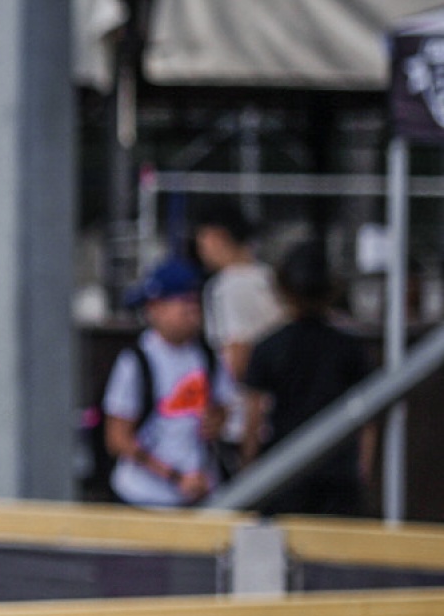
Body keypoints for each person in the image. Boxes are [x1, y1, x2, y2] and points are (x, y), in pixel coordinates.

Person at [242, 241, 374, 516]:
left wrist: (249, 466)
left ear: (283, 289)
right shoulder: (349, 346)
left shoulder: (269, 346)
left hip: (283, 468)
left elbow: (253, 417)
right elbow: (368, 415)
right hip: (338, 469)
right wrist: (362, 468)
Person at [102, 257, 238, 508]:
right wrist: (174, 477)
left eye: (193, 306)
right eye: (183, 306)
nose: (192, 314)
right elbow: (117, 437)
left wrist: (216, 420)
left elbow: (224, 405)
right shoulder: (136, 361)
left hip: (200, 493)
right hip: (143, 495)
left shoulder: (207, 356)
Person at [193, 201, 284, 469]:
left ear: (217, 236)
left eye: (202, 241)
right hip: (281, 415)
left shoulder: (226, 287)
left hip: (243, 423)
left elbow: (237, 358)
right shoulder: (271, 279)